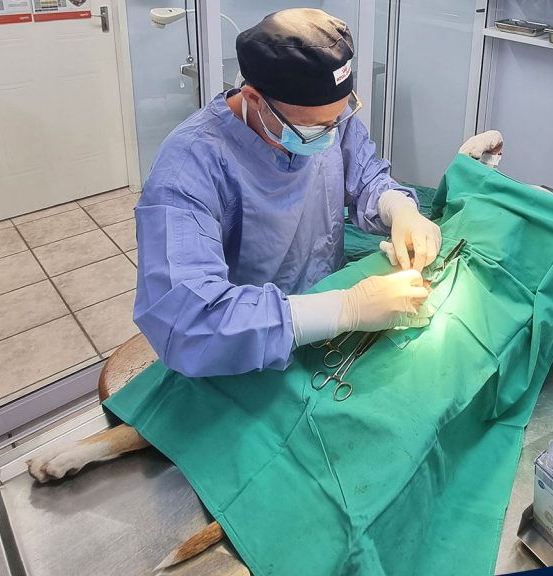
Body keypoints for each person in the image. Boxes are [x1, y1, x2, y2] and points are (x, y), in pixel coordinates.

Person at [132, 8, 504, 377]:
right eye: (314, 127)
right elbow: (188, 322)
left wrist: (398, 208)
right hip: (245, 354)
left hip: (326, 320)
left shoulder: (325, 121)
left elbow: (366, 175)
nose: (330, 134)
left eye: (338, 118)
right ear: (254, 98)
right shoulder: (187, 170)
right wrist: (346, 309)